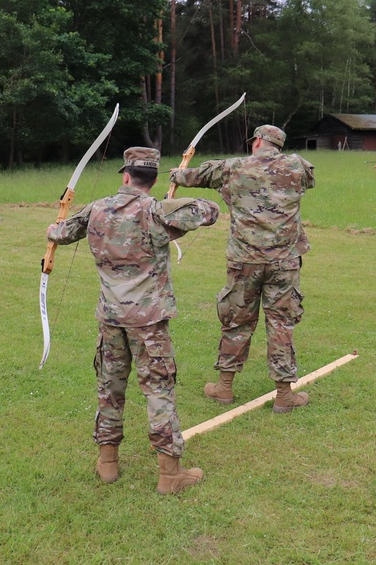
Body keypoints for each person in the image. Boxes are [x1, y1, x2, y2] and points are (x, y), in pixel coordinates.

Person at [46, 147, 220, 493]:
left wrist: (53, 228)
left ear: (126, 176)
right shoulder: (156, 212)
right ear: (152, 180)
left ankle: (107, 462)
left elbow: (60, 233)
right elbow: (210, 211)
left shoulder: (97, 209)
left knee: (110, 389)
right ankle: (170, 475)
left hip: (110, 318)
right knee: (158, 392)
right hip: (148, 323)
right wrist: (169, 204)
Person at [170, 125, 315, 413]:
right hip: (283, 262)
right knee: (281, 324)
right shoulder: (299, 165)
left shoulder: (233, 167)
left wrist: (176, 174)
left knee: (237, 320)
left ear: (258, 141)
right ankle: (284, 395)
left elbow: (192, 176)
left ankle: (224, 387)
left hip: (244, 261)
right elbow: (304, 183)